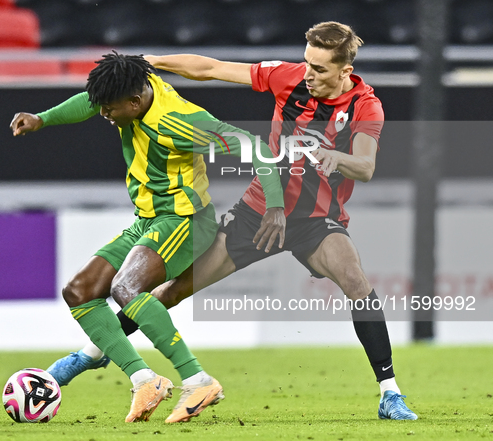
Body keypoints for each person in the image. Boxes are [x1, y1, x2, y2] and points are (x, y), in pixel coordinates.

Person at [49, 22, 418, 421]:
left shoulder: (366, 106)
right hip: (257, 214)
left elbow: (364, 167)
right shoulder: (288, 77)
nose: (308, 74)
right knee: (168, 293)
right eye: (307, 63)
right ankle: (91, 354)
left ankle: (389, 394)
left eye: (320, 69)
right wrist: (157, 61)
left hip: (315, 221)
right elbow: (210, 68)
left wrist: (337, 158)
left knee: (356, 282)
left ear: (345, 71)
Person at [10, 52, 285, 423]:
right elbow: (89, 102)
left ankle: (198, 380)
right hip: (148, 220)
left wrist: (275, 206)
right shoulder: (130, 87)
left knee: (126, 287)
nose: (104, 115)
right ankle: (144, 380)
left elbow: (257, 148)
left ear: (135, 103)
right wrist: (43, 118)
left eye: (109, 110)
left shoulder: (182, 121)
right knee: (79, 291)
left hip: (186, 221)